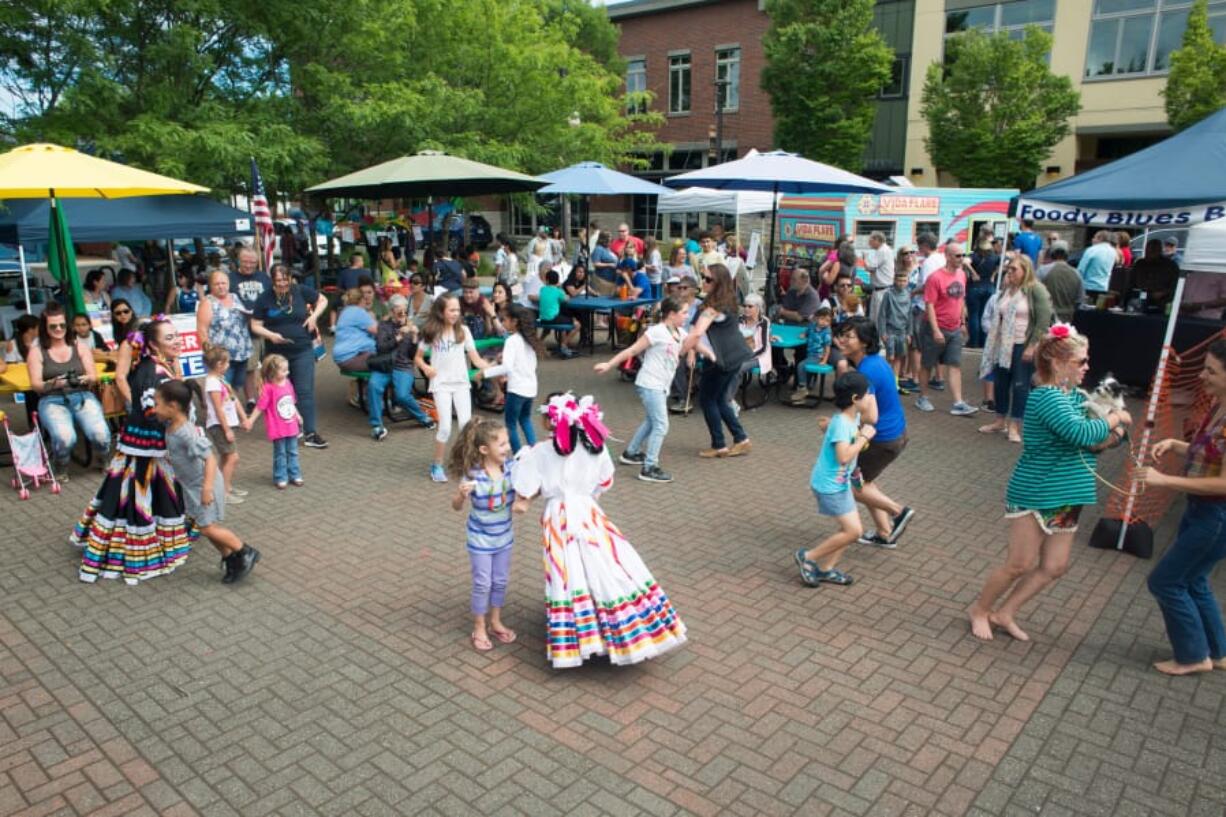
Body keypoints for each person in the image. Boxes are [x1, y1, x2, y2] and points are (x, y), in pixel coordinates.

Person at [968, 323, 1132, 642]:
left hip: (1068, 492)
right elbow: (1082, 434)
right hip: (1037, 492)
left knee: (1055, 566)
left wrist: (1110, 434)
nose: (1087, 367)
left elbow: (1090, 443)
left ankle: (1006, 612)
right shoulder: (1046, 397)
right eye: (1080, 361)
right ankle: (980, 609)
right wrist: (1116, 418)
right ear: (1058, 363)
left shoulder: (1072, 397)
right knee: (1020, 563)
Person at [511, 392, 687, 667]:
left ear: (549, 421)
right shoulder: (596, 446)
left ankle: (581, 634)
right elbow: (604, 481)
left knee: (568, 569)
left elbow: (525, 488)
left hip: (559, 515)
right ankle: (619, 627)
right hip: (588, 510)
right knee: (606, 563)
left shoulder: (540, 452)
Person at [73, 317, 192, 584]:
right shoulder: (154, 373)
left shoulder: (156, 366)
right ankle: (142, 548)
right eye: (170, 337)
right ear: (152, 344)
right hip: (149, 446)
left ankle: (151, 537)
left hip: (143, 443)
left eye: (177, 335)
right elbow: (153, 413)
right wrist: (180, 430)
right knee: (143, 494)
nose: (177, 340)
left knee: (140, 491)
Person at [1137, 339, 1226, 675]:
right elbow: (1211, 453)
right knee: (1196, 579)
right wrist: (1177, 444)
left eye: (1211, 371)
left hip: (1215, 516)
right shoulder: (1219, 405)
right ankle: (1217, 651)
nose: (1202, 376)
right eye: (1204, 367)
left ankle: (1192, 656)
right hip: (1202, 512)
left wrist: (1165, 481)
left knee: (1166, 581)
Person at [154, 380, 260, 584]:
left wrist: (207, 488)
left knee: (206, 528)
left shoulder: (186, 432)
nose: (154, 408)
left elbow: (210, 459)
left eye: (157, 403)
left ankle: (245, 551)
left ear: (173, 406)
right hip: (192, 487)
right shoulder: (172, 425)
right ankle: (231, 558)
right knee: (205, 525)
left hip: (203, 485)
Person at [832, 318, 914, 547]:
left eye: (849, 337)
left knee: (851, 484)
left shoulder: (867, 371)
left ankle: (898, 512)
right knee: (864, 480)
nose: (842, 340)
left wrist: (839, 424)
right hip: (894, 433)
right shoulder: (873, 362)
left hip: (882, 438)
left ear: (865, 342)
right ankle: (884, 532)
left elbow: (870, 415)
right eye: (841, 335)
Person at [594, 297, 690, 483]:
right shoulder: (657, 331)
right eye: (684, 312)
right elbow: (631, 351)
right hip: (650, 384)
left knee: (651, 421)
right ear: (671, 314)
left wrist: (708, 353)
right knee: (661, 425)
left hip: (661, 385)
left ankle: (631, 453)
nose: (687, 316)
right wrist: (609, 364)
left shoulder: (678, 331)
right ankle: (649, 467)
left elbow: (693, 340)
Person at [794, 372, 875, 587]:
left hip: (841, 483)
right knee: (854, 531)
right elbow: (843, 457)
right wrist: (865, 437)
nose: (870, 398)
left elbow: (867, 422)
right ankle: (808, 557)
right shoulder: (842, 423)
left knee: (849, 531)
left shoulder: (851, 417)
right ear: (855, 399)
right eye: (867, 394)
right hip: (829, 486)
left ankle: (826, 569)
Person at [449, 418, 518, 653]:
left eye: (507, 442)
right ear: (484, 450)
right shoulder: (472, 475)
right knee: (482, 584)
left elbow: (527, 489)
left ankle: (495, 621)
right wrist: (460, 495)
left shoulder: (510, 468)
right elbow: (456, 507)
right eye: (502, 444)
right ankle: (479, 627)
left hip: (504, 538)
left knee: (500, 581)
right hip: (479, 540)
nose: (508, 448)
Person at [250, 264, 328, 449]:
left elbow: (323, 300)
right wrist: (270, 335)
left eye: (285, 280)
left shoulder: (299, 290)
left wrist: (314, 317)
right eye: (278, 281)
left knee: (304, 391)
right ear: (272, 281)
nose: (283, 284)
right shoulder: (264, 298)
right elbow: (255, 325)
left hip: (302, 349)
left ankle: (310, 432)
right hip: (277, 354)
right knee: (283, 393)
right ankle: (290, 427)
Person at [27, 304, 110, 475]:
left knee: (100, 434)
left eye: (62, 325)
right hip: (51, 399)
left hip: (81, 394)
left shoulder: (79, 346)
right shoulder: (37, 351)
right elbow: (35, 385)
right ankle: (61, 465)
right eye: (53, 326)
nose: (58, 329)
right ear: (45, 327)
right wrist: (53, 383)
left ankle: (103, 459)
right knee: (65, 437)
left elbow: (94, 376)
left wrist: (85, 378)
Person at [978, 255, 1053, 443]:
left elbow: (1043, 320)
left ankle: (1015, 425)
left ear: (1025, 270)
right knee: (1001, 383)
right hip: (1002, 345)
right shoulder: (1007, 289)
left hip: (1022, 343)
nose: (1009, 272)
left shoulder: (1035, 290)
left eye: (1014, 269)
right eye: (1008, 269)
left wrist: (1033, 345)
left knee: (1020, 385)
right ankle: (999, 420)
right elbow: (999, 314)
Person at [415, 293, 490, 482]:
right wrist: (426, 367)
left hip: (461, 383)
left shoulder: (463, 331)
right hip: (441, 385)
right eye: (452, 310)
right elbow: (417, 357)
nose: (456, 313)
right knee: (446, 427)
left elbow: (476, 359)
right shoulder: (431, 331)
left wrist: (494, 367)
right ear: (441, 312)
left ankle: (467, 465)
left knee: (467, 425)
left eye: (458, 309)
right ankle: (437, 465)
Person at [682, 264, 753, 459]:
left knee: (708, 399)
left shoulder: (713, 307)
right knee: (720, 399)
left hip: (721, 360)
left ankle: (719, 444)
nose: (703, 282)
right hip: (734, 357)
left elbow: (697, 332)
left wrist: (680, 351)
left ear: (718, 283)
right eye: (703, 277)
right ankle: (741, 439)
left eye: (708, 279)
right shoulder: (727, 301)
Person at [915, 242, 977, 417]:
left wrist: (963, 322)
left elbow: (961, 300)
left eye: (962, 255)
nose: (961, 259)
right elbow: (930, 305)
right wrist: (935, 330)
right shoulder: (935, 278)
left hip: (955, 328)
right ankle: (923, 397)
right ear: (948, 256)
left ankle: (958, 402)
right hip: (935, 327)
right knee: (928, 363)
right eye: (958, 256)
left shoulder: (962, 275)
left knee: (955, 364)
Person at [367, 294, 436, 440]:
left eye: (405, 312)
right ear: (392, 312)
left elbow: (413, 355)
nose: (402, 315)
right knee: (373, 385)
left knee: (402, 395)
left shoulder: (411, 326)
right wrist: (398, 337)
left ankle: (423, 416)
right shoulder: (384, 326)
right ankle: (377, 425)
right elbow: (381, 348)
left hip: (403, 366)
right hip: (384, 365)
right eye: (399, 312)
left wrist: (416, 337)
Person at [479, 305, 542, 454]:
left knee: (510, 424)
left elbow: (506, 367)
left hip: (516, 389)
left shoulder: (512, 341)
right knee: (525, 420)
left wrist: (485, 373)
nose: (503, 323)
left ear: (515, 321)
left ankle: (518, 456)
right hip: (530, 388)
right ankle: (534, 452)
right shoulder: (529, 340)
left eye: (504, 320)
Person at [244, 354, 304, 489]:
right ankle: (280, 476)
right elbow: (260, 406)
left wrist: (298, 415)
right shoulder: (268, 388)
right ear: (273, 371)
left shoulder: (288, 383)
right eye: (283, 370)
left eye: (287, 370)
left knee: (293, 451)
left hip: (291, 425)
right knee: (280, 453)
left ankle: (294, 474)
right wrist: (251, 420)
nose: (286, 373)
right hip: (278, 427)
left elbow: (291, 402)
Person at [202, 346, 249, 503]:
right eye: (227, 362)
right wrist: (226, 429)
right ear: (219, 364)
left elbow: (233, 398)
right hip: (219, 425)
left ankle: (223, 487)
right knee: (232, 458)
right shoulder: (212, 383)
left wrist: (243, 417)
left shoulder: (220, 379)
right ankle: (224, 493)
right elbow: (218, 409)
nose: (229, 364)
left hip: (224, 424)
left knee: (226, 457)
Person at [196, 270, 252, 390]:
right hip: (221, 358)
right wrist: (211, 354)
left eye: (224, 283)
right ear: (210, 286)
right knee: (222, 389)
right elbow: (202, 330)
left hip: (242, 353)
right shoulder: (207, 302)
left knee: (236, 387)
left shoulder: (235, 297)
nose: (221, 286)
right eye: (217, 284)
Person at [789, 306, 832, 405]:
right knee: (798, 360)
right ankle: (801, 391)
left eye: (827, 321)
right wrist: (804, 335)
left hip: (817, 356)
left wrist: (824, 360)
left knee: (801, 365)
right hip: (809, 353)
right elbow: (807, 331)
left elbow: (827, 348)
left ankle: (802, 388)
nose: (824, 322)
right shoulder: (812, 326)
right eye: (822, 319)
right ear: (817, 318)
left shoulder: (827, 333)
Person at [877, 267, 912, 383]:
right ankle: (885, 380)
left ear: (908, 281)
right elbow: (882, 314)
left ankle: (895, 382)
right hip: (890, 331)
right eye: (899, 280)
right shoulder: (888, 294)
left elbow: (910, 315)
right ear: (894, 280)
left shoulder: (908, 294)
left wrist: (909, 333)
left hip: (902, 332)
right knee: (890, 357)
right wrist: (882, 332)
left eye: (904, 281)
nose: (901, 283)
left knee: (899, 357)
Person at [333, 286, 378, 373]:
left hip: (343, 357)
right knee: (391, 360)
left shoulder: (345, 311)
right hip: (350, 358)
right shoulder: (358, 312)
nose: (366, 301)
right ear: (361, 300)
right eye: (365, 299)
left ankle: (364, 384)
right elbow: (378, 331)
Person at [1039, 242, 1086, 323]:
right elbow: (1080, 299)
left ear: (1051, 254)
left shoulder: (1042, 271)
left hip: (1045, 316)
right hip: (1067, 317)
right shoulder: (1076, 273)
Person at [537, 269, 580, 358]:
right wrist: (560, 289)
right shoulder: (558, 291)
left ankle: (539, 343)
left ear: (547, 280)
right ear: (557, 281)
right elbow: (566, 299)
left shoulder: (542, 289)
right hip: (553, 318)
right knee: (577, 325)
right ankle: (564, 345)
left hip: (542, 319)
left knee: (559, 322)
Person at [1129, 238, 1180, 307]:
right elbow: (1131, 282)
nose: (1149, 254)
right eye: (1148, 251)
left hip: (1161, 303)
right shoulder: (1140, 264)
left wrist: (1163, 292)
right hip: (1138, 300)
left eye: (1153, 251)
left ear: (1159, 251)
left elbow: (1175, 286)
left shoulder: (1170, 266)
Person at [864, 231, 895, 321]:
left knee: (878, 318)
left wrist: (865, 257)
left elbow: (870, 267)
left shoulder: (882, 250)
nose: (869, 242)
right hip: (880, 289)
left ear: (877, 240)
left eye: (870, 240)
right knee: (874, 317)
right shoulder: (884, 250)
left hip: (882, 289)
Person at [1077, 230, 1116, 295]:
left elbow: (1081, 269)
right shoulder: (1113, 251)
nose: (1092, 239)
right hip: (1104, 287)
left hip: (1088, 286)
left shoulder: (1092, 250)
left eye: (1094, 237)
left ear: (1100, 238)